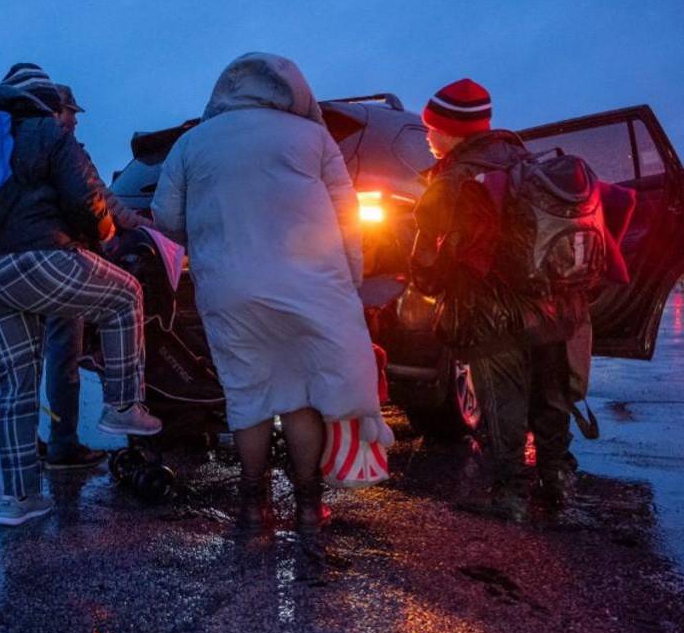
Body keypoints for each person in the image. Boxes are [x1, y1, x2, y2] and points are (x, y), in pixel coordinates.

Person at [151, 52, 389, 531]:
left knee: (247, 394)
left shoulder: (191, 143)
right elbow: (347, 219)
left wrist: (206, 236)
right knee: (301, 395)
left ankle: (252, 505)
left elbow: (166, 219)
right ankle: (306, 505)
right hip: (308, 285)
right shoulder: (313, 137)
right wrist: (353, 279)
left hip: (229, 288)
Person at [0, 63, 162, 527]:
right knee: (126, 296)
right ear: (45, 100)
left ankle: (20, 501)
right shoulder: (48, 132)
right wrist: (101, 238)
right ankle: (123, 407)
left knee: (17, 390)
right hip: (39, 257)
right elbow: (87, 198)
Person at [410, 78, 589, 521]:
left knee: (500, 402)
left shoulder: (455, 177)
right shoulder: (530, 163)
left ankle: (508, 495)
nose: (428, 137)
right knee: (552, 396)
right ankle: (556, 485)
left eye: (431, 128)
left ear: (451, 130)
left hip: (493, 313)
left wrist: (425, 283)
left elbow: (429, 260)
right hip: (555, 304)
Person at [41, 84, 153, 470]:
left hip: (17, 265)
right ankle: (68, 442)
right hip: (63, 261)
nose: (74, 119)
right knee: (64, 354)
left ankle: (32, 459)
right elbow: (98, 198)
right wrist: (140, 228)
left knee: (30, 364)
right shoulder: (62, 148)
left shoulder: (13, 148)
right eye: (71, 111)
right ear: (56, 111)